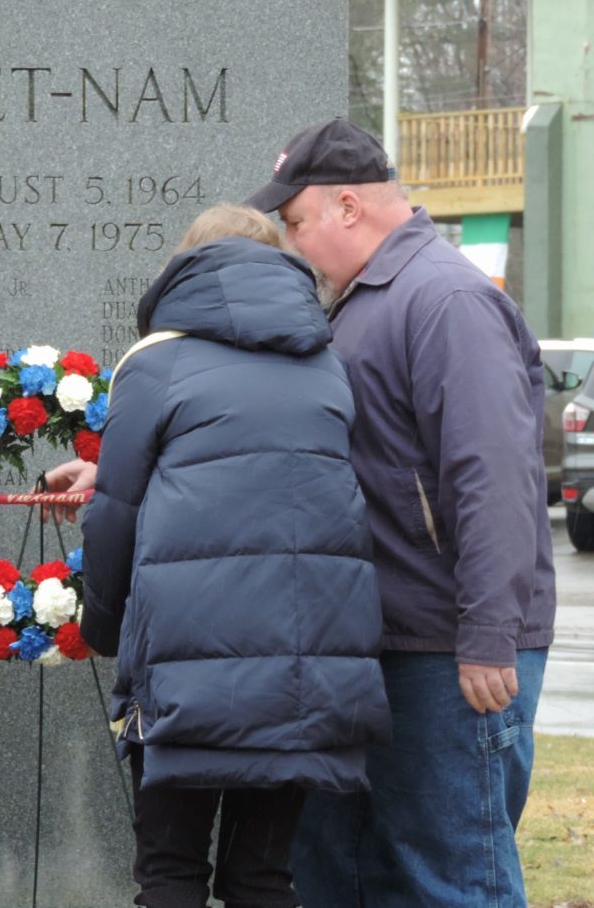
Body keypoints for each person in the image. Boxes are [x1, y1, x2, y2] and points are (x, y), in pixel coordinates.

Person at [243, 118, 555, 907]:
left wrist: (488, 633)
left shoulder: (443, 298)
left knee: (450, 880)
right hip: (376, 646)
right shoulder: (364, 301)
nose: (291, 240)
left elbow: (495, 479)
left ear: (349, 205)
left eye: (297, 220)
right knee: (346, 876)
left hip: (448, 655)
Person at [78, 203, 391, 908]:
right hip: (309, 663)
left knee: (169, 871)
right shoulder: (327, 363)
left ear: (186, 266)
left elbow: (114, 512)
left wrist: (101, 625)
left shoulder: (156, 361)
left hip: (185, 665)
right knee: (262, 877)